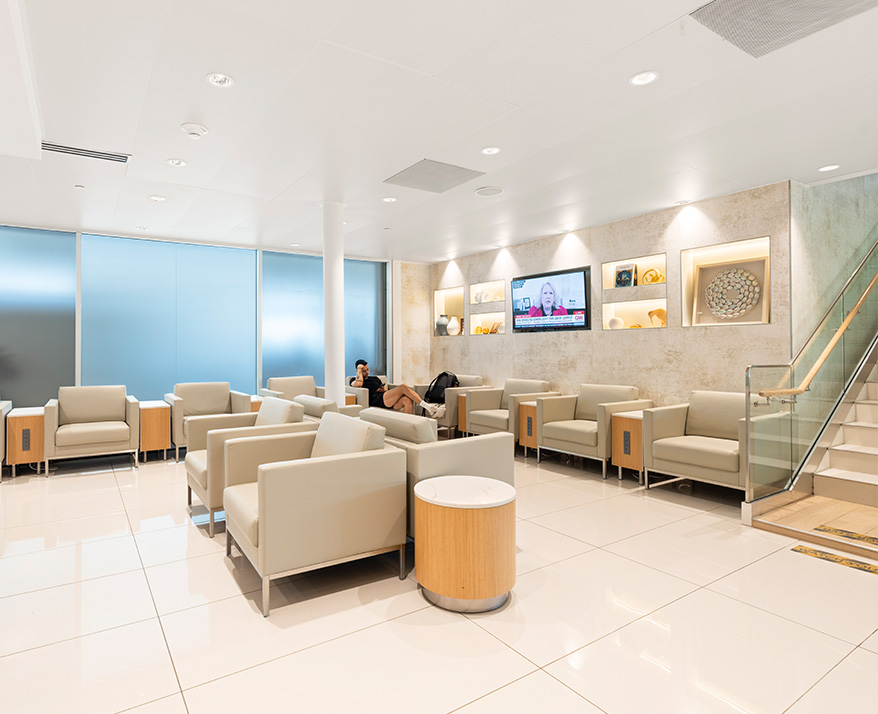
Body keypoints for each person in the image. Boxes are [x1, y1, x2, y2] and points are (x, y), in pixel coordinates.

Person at [349, 360, 439, 416]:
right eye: (364, 371)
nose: (367, 372)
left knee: (407, 400)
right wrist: (359, 371)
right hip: (378, 400)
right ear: (358, 371)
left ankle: (408, 428)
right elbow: (358, 384)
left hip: (386, 398)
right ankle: (428, 407)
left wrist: (383, 390)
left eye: (368, 369)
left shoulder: (375, 378)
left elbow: (387, 391)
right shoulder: (354, 379)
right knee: (403, 387)